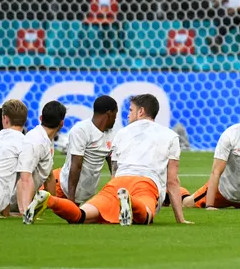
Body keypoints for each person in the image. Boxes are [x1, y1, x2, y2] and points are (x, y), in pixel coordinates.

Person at [26, 93, 191, 226]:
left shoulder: (121, 133)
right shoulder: (170, 136)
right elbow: (172, 181)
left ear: (141, 112)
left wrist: (113, 193)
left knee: (82, 216)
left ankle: (50, 200)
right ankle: (131, 201)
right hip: (146, 184)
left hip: (117, 184)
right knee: (145, 216)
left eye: (131, 110)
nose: (127, 115)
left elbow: (115, 171)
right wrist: (180, 218)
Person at [14, 101, 67, 214]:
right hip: (12, 202)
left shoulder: (47, 140)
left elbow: (49, 176)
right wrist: (26, 212)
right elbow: (23, 178)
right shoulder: (35, 141)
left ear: (41, 118)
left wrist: (55, 206)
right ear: (62, 123)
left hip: (22, 199)